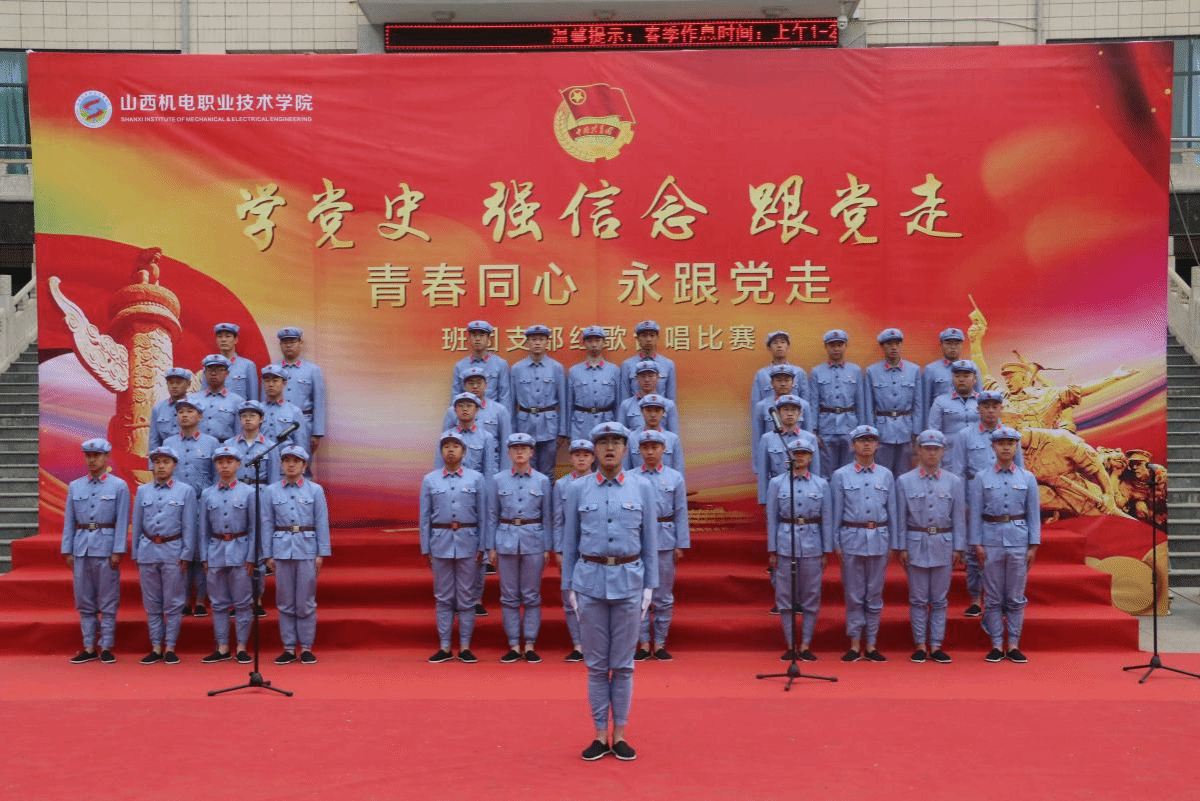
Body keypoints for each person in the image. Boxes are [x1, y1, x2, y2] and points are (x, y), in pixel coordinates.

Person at [561, 422, 657, 762]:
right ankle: (600, 733)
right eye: (604, 443)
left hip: (630, 582)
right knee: (597, 665)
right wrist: (569, 586)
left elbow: (650, 541)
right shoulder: (578, 489)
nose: (610, 448)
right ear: (595, 450)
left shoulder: (642, 487)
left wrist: (650, 586)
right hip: (589, 582)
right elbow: (569, 541)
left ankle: (621, 734)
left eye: (616, 442)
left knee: (624, 665)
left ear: (626, 449)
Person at [945, 389, 1024, 617]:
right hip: (974, 498)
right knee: (974, 551)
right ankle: (976, 598)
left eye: (994, 406)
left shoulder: (1011, 436)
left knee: (1003, 550)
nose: (990, 410)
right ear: (978, 409)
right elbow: (958, 472)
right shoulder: (965, 435)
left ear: (1000, 409)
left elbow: (1020, 471)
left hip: (1004, 498)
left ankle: (1001, 598)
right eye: (985, 406)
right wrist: (960, 504)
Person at [968, 426, 1040, 663]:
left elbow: (1033, 515)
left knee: (1016, 596)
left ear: (1016, 447)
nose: (1006, 448)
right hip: (991, 540)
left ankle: (1014, 644)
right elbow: (975, 513)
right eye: (1001, 443)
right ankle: (997, 644)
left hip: (1018, 540)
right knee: (993, 596)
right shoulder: (981, 478)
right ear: (993, 447)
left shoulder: (1027, 478)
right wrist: (977, 543)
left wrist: (1033, 545)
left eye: (1010, 443)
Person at [894, 429, 965, 664]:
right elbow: (900, 517)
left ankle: (936, 644)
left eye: (936, 449)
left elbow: (958, 518)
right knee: (917, 598)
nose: (932, 453)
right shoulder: (905, 481)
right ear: (918, 451)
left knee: (939, 599)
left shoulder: (954, 481)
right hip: (916, 542)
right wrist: (901, 547)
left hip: (943, 543)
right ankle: (920, 645)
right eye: (927, 449)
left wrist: (959, 547)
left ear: (943, 451)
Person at [420, 430, 488, 663]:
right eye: (446, 446)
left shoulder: (476, 478)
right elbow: (424, 517)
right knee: (443, 596)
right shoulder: (430, 480)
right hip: (440, 543)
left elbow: (483, 515)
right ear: (441, 452)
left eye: (455, 446)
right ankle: (445, 646)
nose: (450, 450)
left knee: (467, 597)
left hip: (469, 543)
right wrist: (425, 548)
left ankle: (466, 646)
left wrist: (483, 546)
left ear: (464, 451)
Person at [62, 438, 131, 664]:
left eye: (97, 456)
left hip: (106, 547)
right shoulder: (75, 486)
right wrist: (68, 549)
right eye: (88, 456)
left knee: (108, 599)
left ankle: (107, 645)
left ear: (107, 457)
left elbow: (122, 521)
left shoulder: (118, 486)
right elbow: (69, 520)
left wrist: (118, 549)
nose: (92, 460)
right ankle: (89, 646)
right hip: (82, 546)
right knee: (84, 599)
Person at [831, 425, 897, 662]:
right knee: (854, 593)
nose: (867, 444)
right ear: (852, 446)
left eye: (871, 440)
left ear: (878, 445)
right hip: (852, 537)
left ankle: (871, 644)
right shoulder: (841, 475)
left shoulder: (886, 475)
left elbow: (892, 511)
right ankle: (854, 643)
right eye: (862, 440)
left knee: (874, 594)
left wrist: (894, 543)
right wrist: (835, 542)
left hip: (878, 537)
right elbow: (836, 512)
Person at [262, 444, 331, 665]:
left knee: (305, 601)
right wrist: (267, 554)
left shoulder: (315, 490)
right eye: (287, 461)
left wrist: (321, 552)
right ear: (281, 464)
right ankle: (289, 647)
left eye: (296, 461)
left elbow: (321, 522)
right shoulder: (271, 491)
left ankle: (307, 646)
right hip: (281, 549)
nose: (291, 465)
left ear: (304, 465)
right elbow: (266, 523)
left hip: (306, 548)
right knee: (284, 601)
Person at [489, 432, 553, 663]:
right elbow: (492, 515)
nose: (519, 452)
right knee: (508, 596)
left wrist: (547, 547)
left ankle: (530, 644)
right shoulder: (498, 480)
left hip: (533, 539)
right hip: (505, 539)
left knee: (531, 595)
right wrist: (490, 546)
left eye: (524, 448)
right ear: (508, 453)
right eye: (515, 448)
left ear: (531, 452)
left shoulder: (542, 481)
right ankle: (514, 645)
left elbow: (548, 516)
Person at [766, 437, 831, 662]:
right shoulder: (777, 483)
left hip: (813, 544)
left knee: (812, 595)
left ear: (811, 457)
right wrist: (772, 549)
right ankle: (790, 644)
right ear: (789, 456)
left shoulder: (821, 484)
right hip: (786, 543)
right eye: (796, 453)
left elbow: (827, 519)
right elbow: (772, 518)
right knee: (785, 597)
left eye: (804, 453)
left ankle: (805, 645)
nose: (800, 457)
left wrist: (826, 550)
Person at [131, 445, 196, 665]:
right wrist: (136, 553)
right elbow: (137, 523)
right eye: (157, 462)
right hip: (148, 550)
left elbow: (189, 525)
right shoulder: (143, 491)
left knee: (174, 601)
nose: (160, 466)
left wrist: (187, 553)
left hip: (173, 550)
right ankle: (156, 646)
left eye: (166, 462)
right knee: (152, 602)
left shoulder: (185, 491)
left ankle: (170, 646)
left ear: (174, 465)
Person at [633, 429, 689, 662]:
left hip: (665, 540)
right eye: (646, 448)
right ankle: (643, 642)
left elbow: (681, 512)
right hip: (636, 541)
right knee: (638, 595)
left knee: (663, 595)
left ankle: (660, 643)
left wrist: (680, 544)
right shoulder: (631, 477)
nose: (650, 452)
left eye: (654, 447)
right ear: (639, 450)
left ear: (664, 450)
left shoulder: (674, 477)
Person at [199, 445, 257, 664]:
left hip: (240, 550)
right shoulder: (208, 494)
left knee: (242, 602)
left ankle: (241, 646)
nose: (224, 466)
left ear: (238, 464)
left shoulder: (249, 492)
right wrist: (204, 556)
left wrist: (252, 556)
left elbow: (254, 527)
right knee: (218, 603)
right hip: (216, 551)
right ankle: (222, 647)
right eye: (220, 462)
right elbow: (203, 529)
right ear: (215, 465)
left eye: (229, 462)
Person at [162, 397, 220, 618]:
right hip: (175, 504)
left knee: (199, 550)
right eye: (180, 412)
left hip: (200, 502)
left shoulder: (211, 443)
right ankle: (184, 599)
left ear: (200, 416)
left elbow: (216, 477)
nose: (184, 415)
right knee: (180, 550)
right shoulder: (168, 443)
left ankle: (201, 599)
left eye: (189, 411)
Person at [552, 439, 595, 662]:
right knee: (570, 598)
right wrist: (559, 550)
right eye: (577, 455)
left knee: (594, 599)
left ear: (593, 458)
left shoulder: (601, 482)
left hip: (594, 549)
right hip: (570, 549)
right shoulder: (561, 485)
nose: (581, 459)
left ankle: (594, 645)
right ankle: (578, 645)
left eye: (586, 455)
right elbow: (557, 521)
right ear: (570, 458)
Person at [511, 323, 567, 477]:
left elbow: (563, 401)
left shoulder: (556, 368)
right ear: (527, 342)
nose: (537, 343)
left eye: (541, 339)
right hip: (524, 425)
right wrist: (512, 429)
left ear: (547, 342)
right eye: (533, 339)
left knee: (548, 471)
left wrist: (562, 431)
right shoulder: (517, 369)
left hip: (549, 427)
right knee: (525, 469)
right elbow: (511, 402)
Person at [865, 327, 923, 476]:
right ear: (882, 347)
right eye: (889, 344)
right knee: (882, 473)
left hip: (906, 430)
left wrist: (916, 431)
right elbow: (868, 406)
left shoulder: (913, 370)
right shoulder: (872, 371)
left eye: (897, 343)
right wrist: (871, 433)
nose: (894, 347)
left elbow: (918, 404)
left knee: (904, 473)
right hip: (882, 430)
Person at [809, 329, 866, 478]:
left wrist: (861, 430)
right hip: (826, 427)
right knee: (826, 473)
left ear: (845, 346)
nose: (836, 348)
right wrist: (813, 431)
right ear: (826, 347)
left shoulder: (855, 371)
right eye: (832, 345)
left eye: (839, 345)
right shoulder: (817, 372)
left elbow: (861, 403)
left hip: (850, 427)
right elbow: (813, 403)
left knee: (849, 472)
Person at [442, 365, 511, 467]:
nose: (475, 386)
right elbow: (445, 442)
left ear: (486, 385)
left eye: (479, 383)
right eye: (471, 383)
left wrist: (504, 471)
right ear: (464, 386)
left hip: (491, 464)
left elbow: (505, 444)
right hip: (459, 466)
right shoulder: (453, 411)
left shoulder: (500, 410)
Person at [756, 397, 822, 505]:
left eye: (794, 410)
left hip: (805, 496)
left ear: (800, 414)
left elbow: (815, 471)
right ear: (778, 413)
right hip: (777, 494)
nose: (790, 414)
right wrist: (764, 501)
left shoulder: (810, 438)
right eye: (785, 410)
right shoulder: (767, 439)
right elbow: (763, 473)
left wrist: (815, 496)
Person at [274, 327, 327, 458]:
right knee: (278, 463)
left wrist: (317, 433)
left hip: (304, 425)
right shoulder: (273, 370)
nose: (288, 345)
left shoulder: (312, 370)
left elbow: (319, 403)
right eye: (285, 342)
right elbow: (265, 402)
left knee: (302, 462)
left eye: (292, 342)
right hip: (278, 424)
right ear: (280, 345)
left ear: (300, 343)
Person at [751, 365, 814, 475]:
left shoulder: (804, 405)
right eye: (779, 380)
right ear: (771, 383)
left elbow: (809, 438)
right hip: (774, 462)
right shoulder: (762, 406)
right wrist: (758, 467)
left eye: (786, 380)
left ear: (793, 383)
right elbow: (757, 440)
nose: (783, 384)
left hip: (799, 463)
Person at [566, 325, 622, 440]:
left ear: (604, 342)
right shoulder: (574, 371)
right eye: (590, 341)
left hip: (607, 423)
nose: (594, 344)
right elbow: (569, 405)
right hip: (580, 426)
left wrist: (619, 428)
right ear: (584, 343)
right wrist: (567, 432)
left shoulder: (614, 370)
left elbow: (618, 404)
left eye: (597, 340)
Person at [450, 319, 512, 415]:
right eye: (474, 335)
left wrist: (504, 419)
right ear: (469, 338)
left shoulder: (500, 364)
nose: (477, 339)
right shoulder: (460, 366)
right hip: (467, 417)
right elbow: (456, 396)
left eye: (482, 335)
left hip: (492, 416)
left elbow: (505, 397)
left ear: (488, 338)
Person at [435, 392, 500, 478]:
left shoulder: (486, 437)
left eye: (469, 406)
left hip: (476, 484)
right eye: (460, 406)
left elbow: (489, 471)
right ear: (455, 410)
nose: (465, 409)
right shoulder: (445, 437)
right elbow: (439, 468)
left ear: (477, 410)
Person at [625, 395, 685, 475]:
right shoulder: (631, 438)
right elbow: (626, 471)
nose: (653, 415)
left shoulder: (672, 439)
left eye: (657, 411)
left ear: (663, 413)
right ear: (641, 411)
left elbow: (678, 472)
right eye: (649, 411)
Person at [192, 354, 246, 443]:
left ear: (227, 373)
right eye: (210, 370)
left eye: (218, 370)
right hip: (198, 446)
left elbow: (239, 434)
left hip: (225, 447)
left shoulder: (237, 401)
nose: (213, 374)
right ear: (204, 373)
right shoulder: (193, 400)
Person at [224, 399, 280, 485]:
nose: (248, 419)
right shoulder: (229, 444)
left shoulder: (270, 447)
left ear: (261, 419)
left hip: (260, 490)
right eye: (244, 416)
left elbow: (274, 479)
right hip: (236, 490)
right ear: (240, 419)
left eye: (252, 416)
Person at [750, 329, 806, 413]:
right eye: (775, 343)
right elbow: (756, 405)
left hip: (793, 420)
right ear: (769, 348)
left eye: (783, 342)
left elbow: (805, 403)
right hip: (770, 418)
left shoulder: (799, 373)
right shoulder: (761, 374)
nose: (779, 346)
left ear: (788, 346)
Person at [618, 360, 680, 434]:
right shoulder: (626, 405)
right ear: (636, 378)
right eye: (642, 376)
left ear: (658, 377)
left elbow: (673, 435)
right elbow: (621, 434)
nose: (647, 380)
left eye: (651, 376)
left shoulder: (669, 405)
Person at [619, 320, 676, 400]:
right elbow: (624, 399)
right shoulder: (627, 365)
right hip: (635, 408)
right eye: (644, 336)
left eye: (652, 335)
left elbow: (671, 399)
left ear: (657, 338)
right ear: (637, 338)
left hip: (659, 407)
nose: (648, 339)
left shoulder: (668, 365)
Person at [919, 328, 965, 420]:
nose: (953, 347)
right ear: (941, 345)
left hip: (963, 421)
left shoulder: (971, 369)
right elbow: (925, 403)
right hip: (939, 421)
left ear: (962, 345)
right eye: (948, 344)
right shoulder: (930, 370)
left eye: (957, 344)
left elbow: (978, 401)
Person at [259, 364, 309, 448]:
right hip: (262, 455)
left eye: (275, 381)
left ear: (284, 383)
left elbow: (301, 445)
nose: (271, 384)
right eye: (267, 381)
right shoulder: (256, 410)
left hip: (284, 455)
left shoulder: (294, 412)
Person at [927, 359, 980, 436]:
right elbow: (933, 431)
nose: (961, 380)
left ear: (975, 379)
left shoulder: (982, 401)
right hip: (950, 443)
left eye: (966, 376)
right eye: (957, 376)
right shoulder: (940, 401)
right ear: (952, 379)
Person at [148, 367, 193, 451]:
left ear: (188, 384)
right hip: (166, 455)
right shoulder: (158, 409)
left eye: (178, 383)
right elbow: (154, 441)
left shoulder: (196, 407)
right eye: (171, 383)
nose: (174, 386)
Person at [213, 322, 258, 402]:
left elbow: (253, 400)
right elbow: (204, 396)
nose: (223, 340)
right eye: (220, 336)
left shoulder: (247, 365)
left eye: (228, 336)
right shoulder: (210, 367)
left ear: (235, 340)